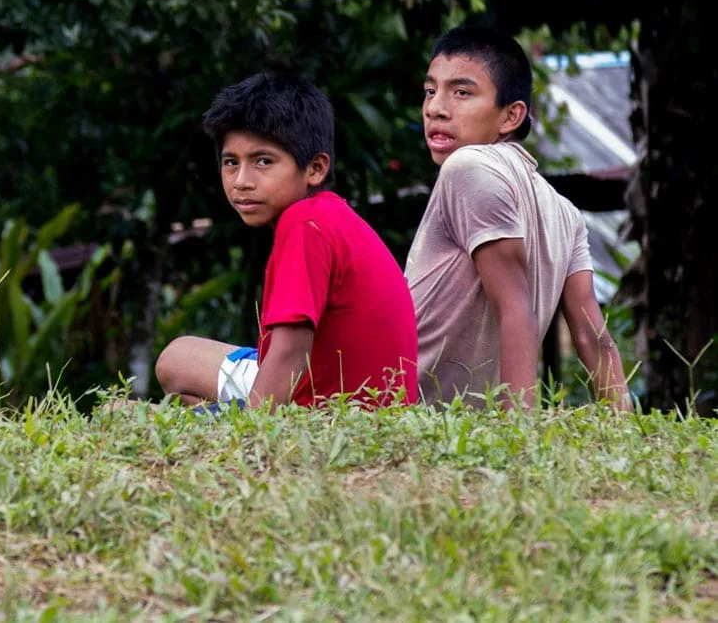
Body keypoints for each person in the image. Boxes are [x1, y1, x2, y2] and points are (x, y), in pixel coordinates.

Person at [153, 70, 419, 410]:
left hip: (333, 416)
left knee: (123, 412)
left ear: (315, 168)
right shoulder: (328, 214)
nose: (242, 181)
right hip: (354, 395)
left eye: (263, 161)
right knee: (178, 358)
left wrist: (249, 434)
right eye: (231, 163)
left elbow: (291, 350)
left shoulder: (304, 223)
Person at [408, 25, 632, 410]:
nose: (436, 108)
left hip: (426, 424)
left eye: (461, 92)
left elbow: (515, 310)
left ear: (511, 116)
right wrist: (625, 428)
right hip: (467, 434)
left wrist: (518, 437)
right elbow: (592, 337)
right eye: (431, 91)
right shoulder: (564, 212)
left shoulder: (467, 165)